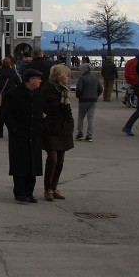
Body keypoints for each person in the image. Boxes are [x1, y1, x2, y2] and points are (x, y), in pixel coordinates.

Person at [3, 69, 46, 204]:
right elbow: (7, 114)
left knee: (33, 164)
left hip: (35, 134)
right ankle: (20, 192)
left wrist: (42, 125)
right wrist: (14, 129)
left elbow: (45, 111)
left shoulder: (39, 95)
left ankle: (30, 192)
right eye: (38, 79)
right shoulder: (14, 94)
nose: (40, 81)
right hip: (20, 134)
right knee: (20, 164)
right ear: (30, 80)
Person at [42, 64, 75, 201]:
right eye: (66, 74)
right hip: (51, 127)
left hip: (63, 128)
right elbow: (50, 108)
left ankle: (54, 187)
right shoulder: (48, 89)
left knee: (60, 160)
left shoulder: (64, 90)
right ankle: (48, 188)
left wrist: (71, 124)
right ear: (59, 76)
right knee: (53, 158)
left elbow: (67, 110)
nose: (68, 77)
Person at [0, 56, 21, 138]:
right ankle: (11, 131)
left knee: (0, 115)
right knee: (11, 114)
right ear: (10, 64)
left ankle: (0, 132)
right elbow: (19, 84)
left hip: (1, 96)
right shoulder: (13, 73)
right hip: (12, 97)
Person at [74, 63, 102, 141]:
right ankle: (89, 135)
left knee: (81, 117)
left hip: (83, 100)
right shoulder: (95, 78)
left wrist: (79, 96)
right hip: (93, 100)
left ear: (84, 70)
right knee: (91, 117)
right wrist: (95, 95)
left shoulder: (82, 78)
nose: (79, 72)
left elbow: (79, 89)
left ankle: (80, 133)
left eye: (80, 70)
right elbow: (100, 89)